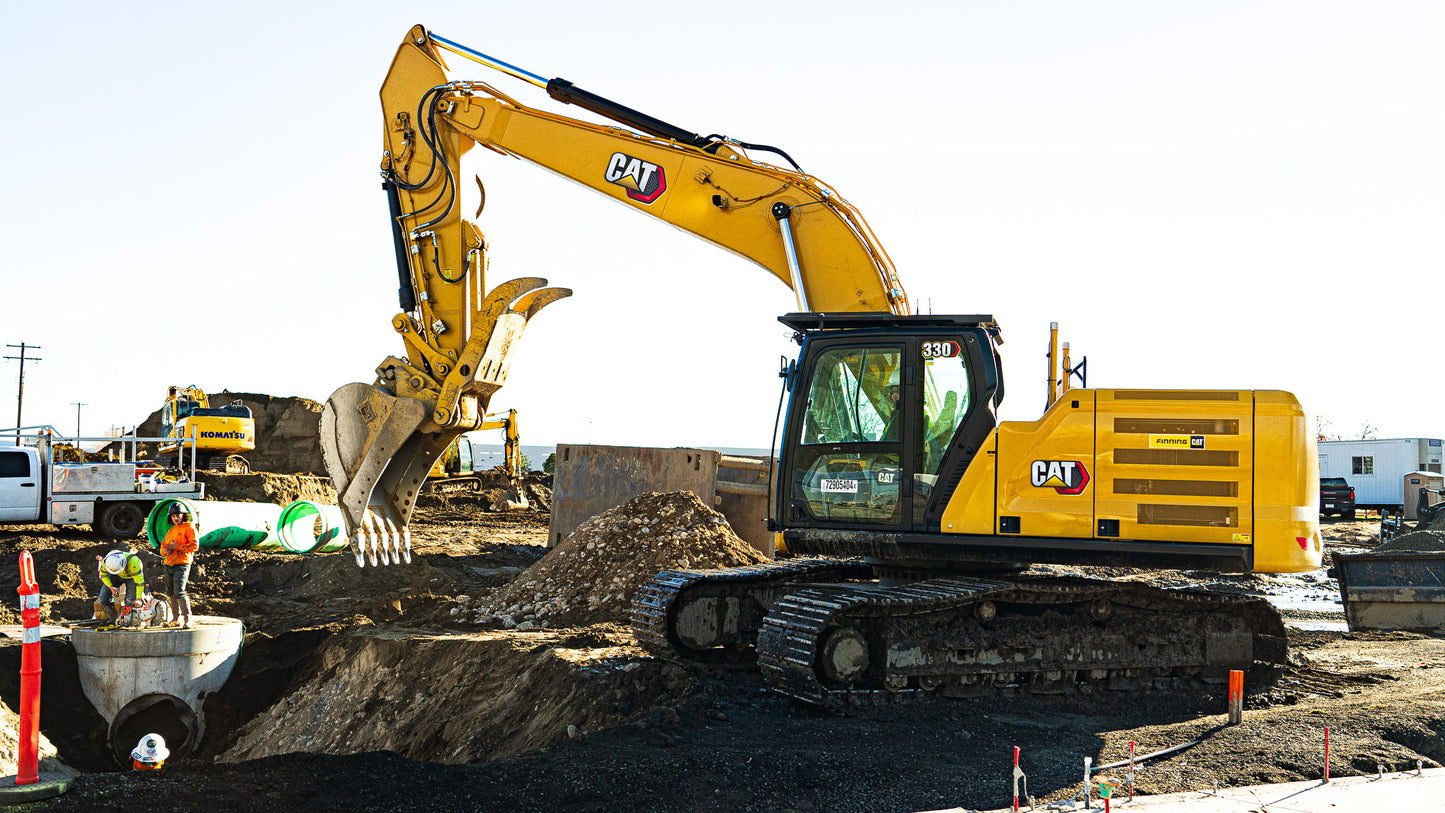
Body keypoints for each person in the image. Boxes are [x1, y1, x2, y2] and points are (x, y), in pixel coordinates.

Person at [160, 505, 199, 629]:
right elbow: (162, 546)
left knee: (179, 592)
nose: (175, 518)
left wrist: (177, 547)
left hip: (182, 564)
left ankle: (188, 619)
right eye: (173, 516)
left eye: (178, 515)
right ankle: (175, 619)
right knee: (170, 592)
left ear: (183, 515)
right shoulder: (171, 531)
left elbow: (194, 546)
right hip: (169, 563)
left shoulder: (189, 528)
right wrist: (165, 551)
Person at [93, 549, 144, 621]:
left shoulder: (133, 562)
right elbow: (103, 575)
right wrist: (111, 587)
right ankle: (113, 618)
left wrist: (138, 598)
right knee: (103, 597)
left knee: (130, 601)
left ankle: (127, 619)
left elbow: (139, 582)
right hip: (115, 575)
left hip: (132, 577)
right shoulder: (106, 562)